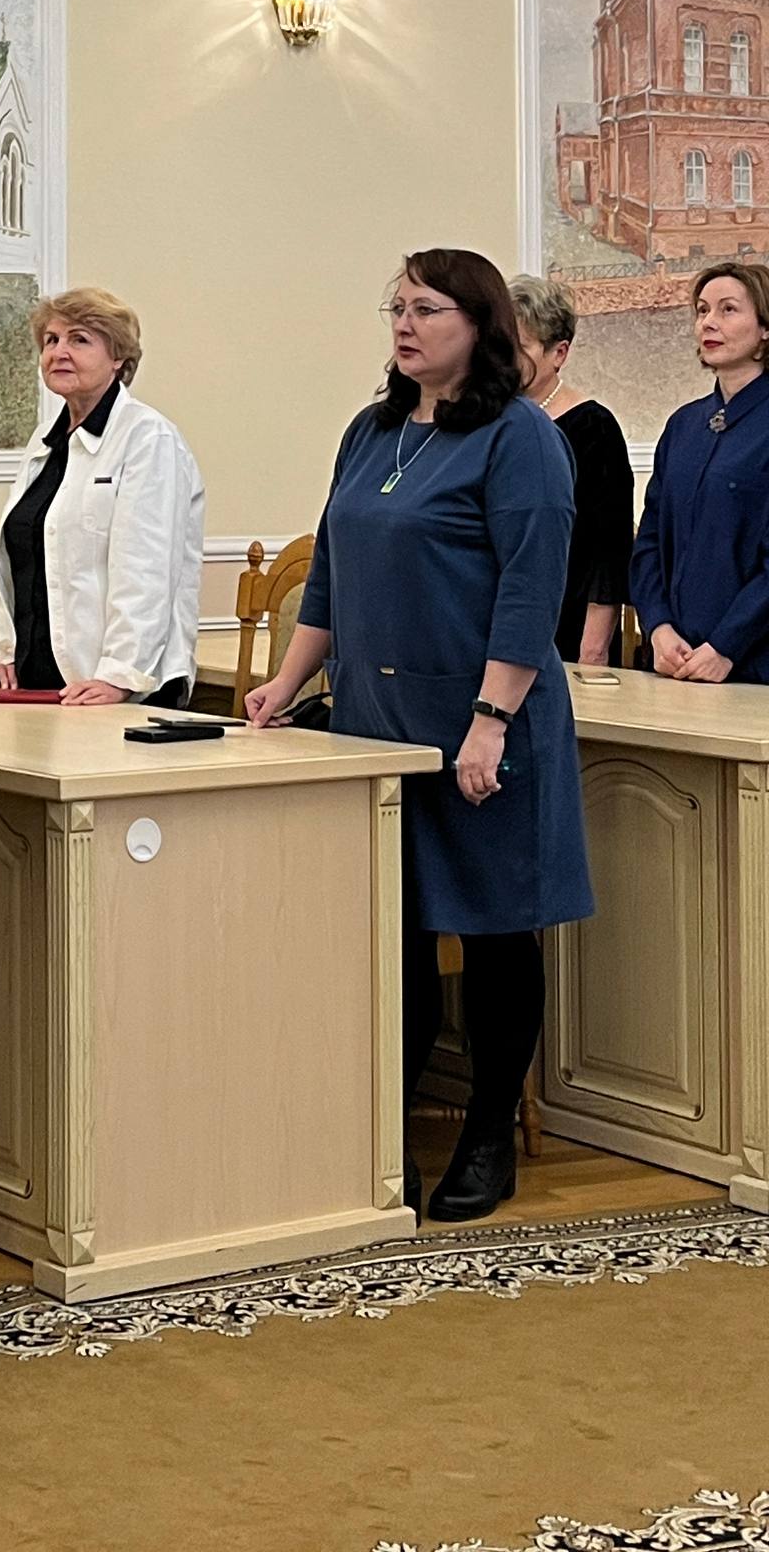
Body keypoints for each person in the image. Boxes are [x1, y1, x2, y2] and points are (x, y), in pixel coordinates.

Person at [246, 248, 592, 1223]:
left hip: (484, 727)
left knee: (493, 931)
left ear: (479, 326)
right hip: (375, 730)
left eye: (427, 308)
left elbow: (531, 588)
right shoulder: (372, 430)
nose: (404, 323)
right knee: (389, 936)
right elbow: (330, 577)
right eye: (395, 307)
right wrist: (286, 682)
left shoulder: (520, 437)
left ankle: (488, 1135)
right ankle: (380, 1130)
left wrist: (491, 719)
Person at [0, 287, 204, 705]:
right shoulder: (44, 444)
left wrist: (119, 675)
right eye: (51, 340)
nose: (59, 352)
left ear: (118, 357)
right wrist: (3, 651)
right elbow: (17, 564)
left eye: (79, 339)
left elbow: (146, 570)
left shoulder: (147, 438)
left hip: (123, 689)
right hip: (42, 684)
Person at [631, 260, 769, 685]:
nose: (709, 322)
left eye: (728, 309)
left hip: (754, 669)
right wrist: (658, 627)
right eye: (702, 310)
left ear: (765, 328)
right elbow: (649, 541)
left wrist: (726, 646)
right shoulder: (683, 425)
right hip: (675, 661)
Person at [510, 275, 634, 667]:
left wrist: (593, 650)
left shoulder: (595, 427)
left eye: (521, 346)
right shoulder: (488, 423)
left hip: (567, 625)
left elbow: (608, 552)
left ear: (558, 353)